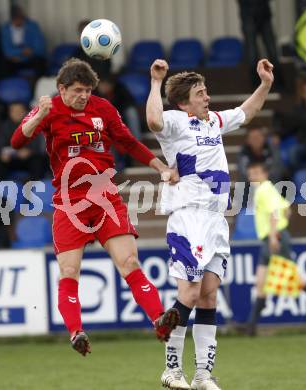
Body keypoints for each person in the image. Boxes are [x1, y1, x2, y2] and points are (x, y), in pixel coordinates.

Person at [11, 58, 180, 356]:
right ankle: (76, 332)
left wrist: (160, 166)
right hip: (69, 204)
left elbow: (128, 142)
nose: (84, 96)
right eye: (77, 90)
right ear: (61, 89)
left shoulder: (102, 108)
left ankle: (159, 319)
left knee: (129, 263)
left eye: (88, 90)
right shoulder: (48, 109)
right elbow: (16, 142)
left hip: (105, 199)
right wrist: (39, 117)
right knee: (69, 270)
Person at [146, 57, 274, 390]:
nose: (207, 97)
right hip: (189, 216)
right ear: (184, 102)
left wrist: (265, 84)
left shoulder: (213, 121)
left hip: (216, 220)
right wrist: (156, 83)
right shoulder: (175, 122)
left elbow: (246, 112)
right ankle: (172, 369)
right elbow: (153, 121)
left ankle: (203, 373)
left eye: (205, 91)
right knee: (187, 293)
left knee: (208, 297)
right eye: (201, 93)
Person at [246, 162, 306, 336]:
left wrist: (273, 235)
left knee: (297, 280)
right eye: (250, 174)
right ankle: (251, 327)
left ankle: (250, 327)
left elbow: (275, 212)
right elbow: (287, 210)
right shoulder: (269, 189)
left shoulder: (263, 190)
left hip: (274, 239)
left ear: (264, 173)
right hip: (273, 238)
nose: (252, 177)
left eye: (255, 173)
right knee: (260, 282)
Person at [237, 0, 284, 90]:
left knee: (271, 51)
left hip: (262, 15)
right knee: (253, 53)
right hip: (249, 15)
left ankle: (277, 83)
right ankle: (257, 85)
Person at [0, 102, 47, 181]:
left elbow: (38, 145)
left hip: (29, 158)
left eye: (19, 111)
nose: (17, 113)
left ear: (25, 112)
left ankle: (31, 184)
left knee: (38, 161)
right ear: (9, 113)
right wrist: (2, 154)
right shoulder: (5, 126)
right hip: (11, 158)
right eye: (14, 111)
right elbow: (0, 144)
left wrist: (30, 151)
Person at [0, 4, 47, 78]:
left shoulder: (33, 26)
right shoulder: (5, 29)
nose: (20, 20)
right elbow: (7, 51)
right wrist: (21, 52)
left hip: (31, 58)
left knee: (40, 61)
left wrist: (21, 56)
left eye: (21, 17)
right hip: (13, 59)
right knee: (2, 64)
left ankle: (37, 87)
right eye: (16, 18)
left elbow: (39, 48)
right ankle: (8, 87)